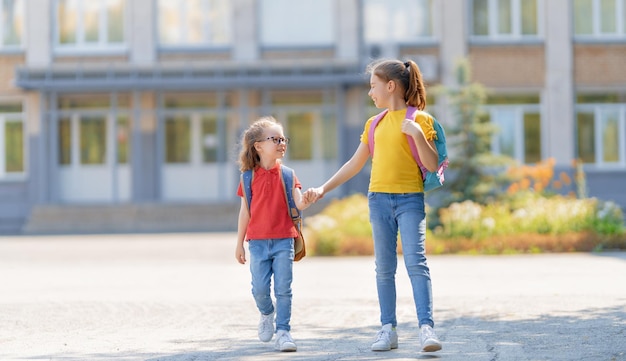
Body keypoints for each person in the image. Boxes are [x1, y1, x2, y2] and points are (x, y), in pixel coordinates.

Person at [305, 59, 443, 353]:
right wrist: (322, 189)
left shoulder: (420, 120)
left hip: (410, 200)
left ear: (390, 86)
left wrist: (417, 134)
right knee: (384, 268)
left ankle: (426, 328)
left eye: (373, 86)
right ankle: (388, 328)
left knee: (416, 263)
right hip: (379, 200)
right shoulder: (374, 124)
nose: (370, 93)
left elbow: (432, 165)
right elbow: (354, 164)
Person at [235, 116, 311, 352]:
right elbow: (245, 212)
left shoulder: (288, 174)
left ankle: (284, 332)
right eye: (275, 139)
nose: (281, 143)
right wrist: (239, 244)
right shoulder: (248, 177)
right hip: (257, 242)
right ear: (258, 145)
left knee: (284, 289)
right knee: (259, 288)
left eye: (283, 139)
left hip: (284, 240)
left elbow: (298, 203)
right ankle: (267, 313)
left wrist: (307, 199)